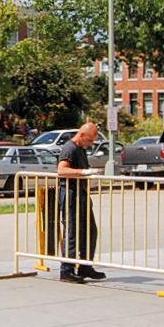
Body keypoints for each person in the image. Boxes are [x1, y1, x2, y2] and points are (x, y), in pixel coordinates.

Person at [56, 121, 104, 283]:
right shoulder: (70, 148)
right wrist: (83, 172)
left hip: (81, 194)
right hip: (71, 195)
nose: (91, 144)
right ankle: (67, 270)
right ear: (82, 135)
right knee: (72, 232)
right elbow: (62, 170)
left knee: (90, 231)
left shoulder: (81, 149)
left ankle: (85, 266)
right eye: (90, 140)